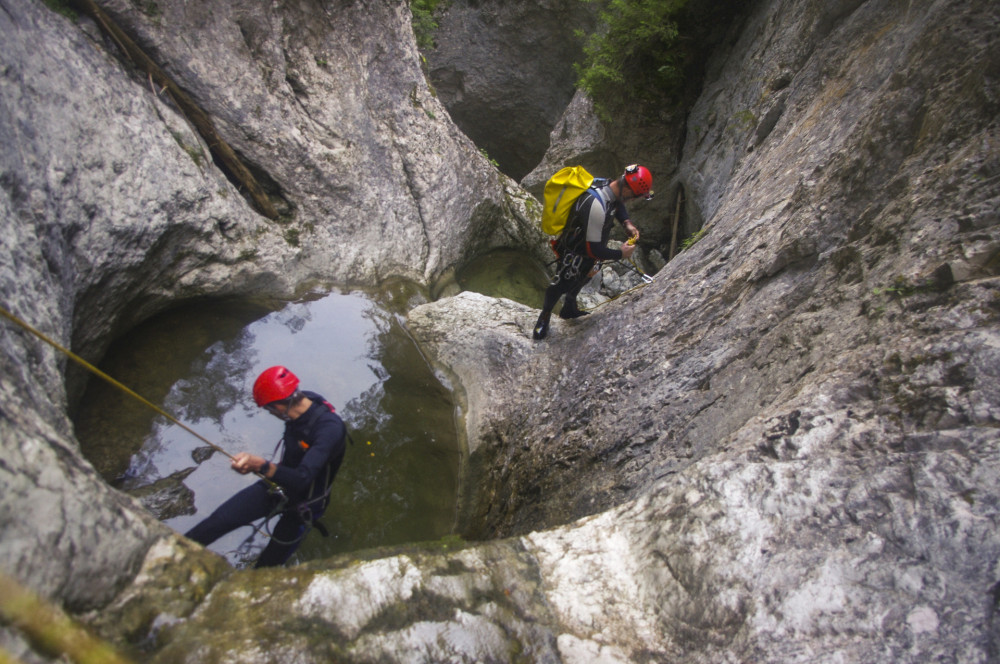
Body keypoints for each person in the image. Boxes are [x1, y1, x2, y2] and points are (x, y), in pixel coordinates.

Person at [185, 366, 347, 567]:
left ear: (279, 407)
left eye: (269, 409)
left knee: (268, 564)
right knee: (218, 521)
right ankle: (174, 554)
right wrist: (266, 470)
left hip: (305, 503)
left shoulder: (329, 429)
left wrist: (261, 465)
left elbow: (302, 478)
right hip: (277, 485)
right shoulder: (304, 402)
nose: (270, 414)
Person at [533, 164, 653, 340]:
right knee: (560, 284)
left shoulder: (608, 186)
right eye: (634, 196)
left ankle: (569, 307)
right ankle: (544, 316)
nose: (632, 200)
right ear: (626, 188)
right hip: (575, 252)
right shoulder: (596, 205)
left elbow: (618, 204)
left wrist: (626, 222)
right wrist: (621, 254)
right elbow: (594, 249)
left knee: (584, 277)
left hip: (590, 250)